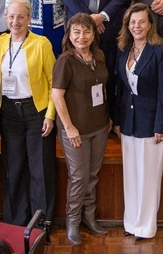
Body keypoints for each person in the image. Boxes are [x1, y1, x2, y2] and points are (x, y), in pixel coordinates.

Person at [114, 3, 163, 239]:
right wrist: (117, 120)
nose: (137, 26)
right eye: (132, 22)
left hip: (151, 124)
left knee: (148, 176)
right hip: (128, 122)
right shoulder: (123, 48)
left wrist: (161, 124)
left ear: (150, 24)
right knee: (131, 175)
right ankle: (131, 223)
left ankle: (146, 227)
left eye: (141, 21)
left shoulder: (161, 50)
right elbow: (120, 89)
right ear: (127, 26)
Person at [51, 14, 111, 245]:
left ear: (94, 33)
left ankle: (89, 217)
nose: (81, 36)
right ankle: (73, 223)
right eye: (76, 31)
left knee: (92, 175)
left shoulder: (98, 56)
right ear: (69, 34)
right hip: (75, 129)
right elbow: (57, 96)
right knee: (78, 177)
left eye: (86, 31)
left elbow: (102, 87)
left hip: (99, 126)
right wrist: (69, 128)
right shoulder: (65, 60)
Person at [0, 0, 56, 225]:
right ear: (5, 17)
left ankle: (41, 223)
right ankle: (16, 222)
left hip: (36, 111)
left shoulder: (41, 44)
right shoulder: (0, 42)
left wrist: (50, 114)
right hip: (9, 111)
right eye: (11, 16)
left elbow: (53, 83)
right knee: (13, 167)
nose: (15, 21)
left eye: (21, 17)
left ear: (29, 19)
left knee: (40, 168)